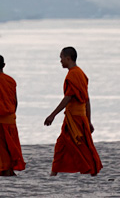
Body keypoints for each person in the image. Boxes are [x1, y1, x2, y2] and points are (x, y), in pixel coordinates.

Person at [43, 46, 103, 176]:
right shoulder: (81, 73)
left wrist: (52, 115)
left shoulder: (73, 74)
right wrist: (88, 120)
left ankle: (91, 171)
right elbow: (87, 99)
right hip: (78, 117)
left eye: (61, 58)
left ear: (68, 58)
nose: (60, 61)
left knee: (80, 146)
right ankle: (54, 173)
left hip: (75, 118)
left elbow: (68, 98)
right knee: (62, 145)